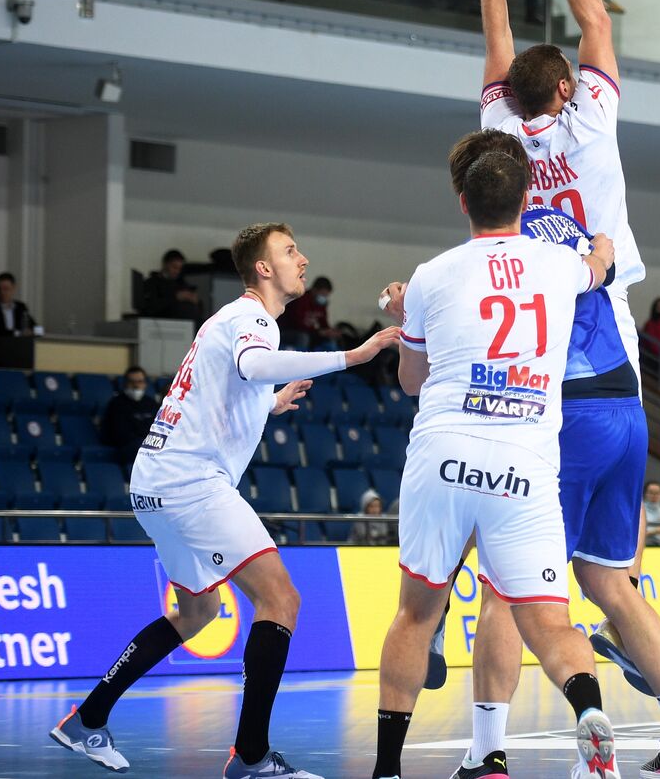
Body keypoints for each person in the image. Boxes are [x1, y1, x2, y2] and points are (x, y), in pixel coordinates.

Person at [410, 130, 660, 779]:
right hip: (628, 409)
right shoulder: (569, 223)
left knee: (504, 586)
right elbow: (603, 262)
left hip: (567, 414)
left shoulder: (499, 256)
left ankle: (487, 750)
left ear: (469, 197)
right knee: (612, 584)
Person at [50, 223, 400, 777]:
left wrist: (268, 405)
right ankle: (252, 756)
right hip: (192, 483)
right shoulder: (249, 317)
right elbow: (254, 366)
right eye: (289, 251)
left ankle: (86, 720)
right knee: (281, 600)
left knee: (198, 610)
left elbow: (227, 390)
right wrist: (353, 356)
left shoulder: (234, 321)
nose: (302, 259)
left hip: (155, 481)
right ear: (263, 268)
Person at [367, 145, 620, 779]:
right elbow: (599, 265)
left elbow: (411, 381)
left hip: (446, 455)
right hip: (525, 464)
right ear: (527, 199)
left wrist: (408, 323)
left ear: (463, 203)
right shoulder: (561, 267)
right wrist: (603, 250)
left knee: (416, 615)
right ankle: (587, 710)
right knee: (551, 623)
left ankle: (388, 770)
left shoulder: (432, 274)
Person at [467, 0, 644, 375]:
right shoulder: (590, 122)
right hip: (603, 300)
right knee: (616, 437)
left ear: (513, 95)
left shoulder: (501, 136)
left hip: (531, 306)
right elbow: (598, 23)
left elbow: (496, 40)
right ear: (566, 87)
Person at [100, 367, 158, 469]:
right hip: (126, 448)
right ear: (125, 383)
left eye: (139, 381)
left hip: (150, 446)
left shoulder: (151, 403)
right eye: (132, 382)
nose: (136, 385)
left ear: (145, 384)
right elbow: (119, 434)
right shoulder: (116, 404)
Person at [278, 276, 340, 350]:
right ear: (314, 290)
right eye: (322, 294)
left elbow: (323, 323)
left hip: (310, 332)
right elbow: (297, 323)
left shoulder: (321, 304)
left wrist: (329, 331)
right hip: (288, 331)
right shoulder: (301, 299)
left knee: (331, 339)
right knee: (304, 337)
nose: (324, 297)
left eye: (326, 295)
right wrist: (319, 332)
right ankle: (301, 360)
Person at [140, 250, 202, 321]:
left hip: (183, 326)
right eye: (174, 267)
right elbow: (150, 307)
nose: (177, 271)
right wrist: (176, 297)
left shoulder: (181, 284)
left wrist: (196, 301)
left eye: (179, 269)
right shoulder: (151, 283)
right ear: (165, 264)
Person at [0, 272, 36, 338]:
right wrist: (19, 333)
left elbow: (35, 326)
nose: (2, 292)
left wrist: (34, 331)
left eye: (6, 289)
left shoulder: (20, 307)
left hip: (18, 345)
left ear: (13, 289)